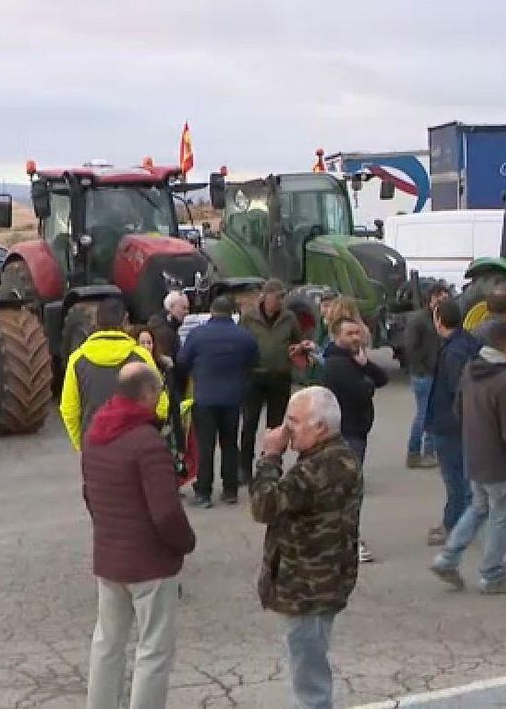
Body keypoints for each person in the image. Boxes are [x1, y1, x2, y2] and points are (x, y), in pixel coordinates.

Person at [83, 364, 196, 709]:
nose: (162, 396)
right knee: (153, 649)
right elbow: (165, 511)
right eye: (159, 390)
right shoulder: (147, 442)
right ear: (146, 393)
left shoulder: (95, 432)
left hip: (109, 558)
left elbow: (89, 494)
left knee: (108, 643)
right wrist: (185, 543)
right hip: (149, 564)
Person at [250, 386, 363, 709]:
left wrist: (270, 456)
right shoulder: (334, 456)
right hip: (318, 582)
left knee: (309, 682)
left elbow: (263, 506)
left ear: (320, 427)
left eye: (294, 422)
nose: (286, 430)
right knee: (308, 667)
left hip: (309, 588)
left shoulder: (319, 467)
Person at [429, 319, 506, 595]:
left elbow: (458, 410)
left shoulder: (470, 371)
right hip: (500, 460)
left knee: (478, 507)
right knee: (499, 515)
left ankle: (448, 557)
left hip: (475, 453)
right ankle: (492, 573)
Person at [175, 295, 260, 508]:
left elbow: (182, 360)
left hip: (204, 397)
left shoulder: (197, 335)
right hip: (233, 398)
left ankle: (204, 491)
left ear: (211, 311)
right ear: (232, 312)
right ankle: (230, 489)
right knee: (230, 444)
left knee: (206, 445)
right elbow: (254, 362)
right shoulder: (245, 336)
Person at [61, 298, 168, 452]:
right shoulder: (140, 355)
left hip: (95, 444)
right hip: (135, 444)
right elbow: (160, 400)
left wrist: (82, 445)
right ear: (125, 321)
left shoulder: (77, 359)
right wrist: (151, 433)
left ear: (96, 323)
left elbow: (69, 409)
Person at [323, 316, 389, 563]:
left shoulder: (354, 359)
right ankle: (350, 541)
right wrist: (365, 377)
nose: (355, 338)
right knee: (349, 491)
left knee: (346, 489)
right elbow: (363, 392)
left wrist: (366, 367)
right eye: (349, 334)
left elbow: (382, 379)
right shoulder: (337, 364)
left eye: (357, 333)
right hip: (346, 432)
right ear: (336, 336)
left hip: (357, 430)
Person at [423, 300, 481, 546]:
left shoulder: (454, 351)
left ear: (439, 321)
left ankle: (456, 525)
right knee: (459, 477)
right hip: (456, 422)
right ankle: (454, 520)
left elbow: (460, 388)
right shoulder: (465, 342)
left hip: (450, 423)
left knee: (455, 477)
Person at [240, 280, 302, 483]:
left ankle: (269, 466)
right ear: (265, 297)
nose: (280, 301)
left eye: (282, 297)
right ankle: (244, 468)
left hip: (279, 376)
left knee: (276, 427)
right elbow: (240, 341)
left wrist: (296, 351)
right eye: (277, 297)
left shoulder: (289, 317)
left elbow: (296, 340)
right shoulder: (249, 318)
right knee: (249, 423)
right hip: (254, 376)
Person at [402, 284, 451, 469]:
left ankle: (430, 452)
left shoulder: (440, 318)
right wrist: (421, 369)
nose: (441, 300)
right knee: (423, 415)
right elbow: (411, 347)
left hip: (436, 373)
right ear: (429, 298)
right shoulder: (419, 320)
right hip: (424, 375)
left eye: (445, 297)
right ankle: (414, 453)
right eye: (438, 297)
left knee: (433, 414)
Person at [147, 290, 188, 364]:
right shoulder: (164, 331)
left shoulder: (159, 323)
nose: (187, 312)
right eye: (184, 308)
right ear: (171, 307)